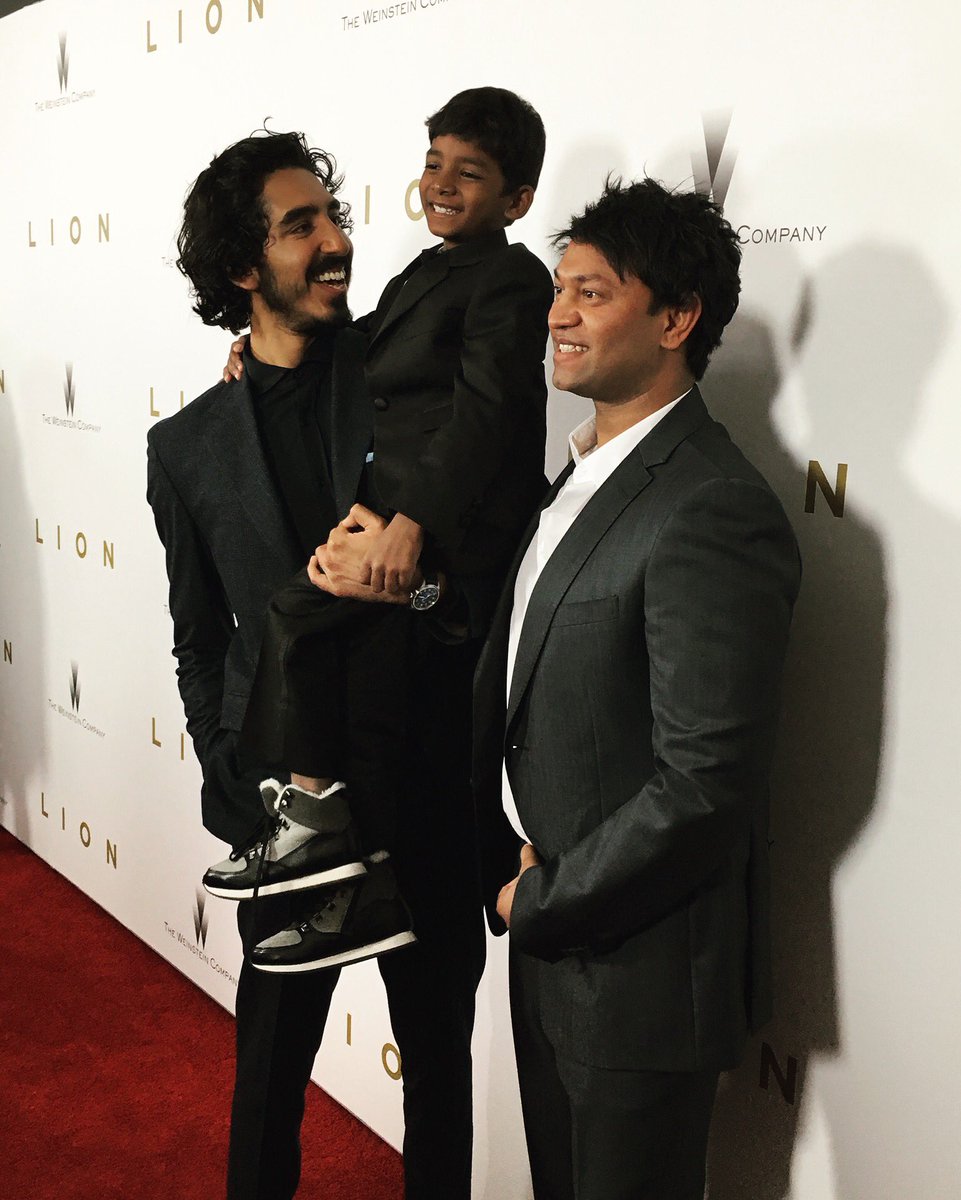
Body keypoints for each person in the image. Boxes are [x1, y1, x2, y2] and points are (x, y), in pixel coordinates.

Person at [146, 113, 548, 1200]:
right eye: (299, 226)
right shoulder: (182, 446)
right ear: (242, 267)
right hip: (286, 815)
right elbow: (197, 635)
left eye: (331, 215)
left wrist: (418, 583)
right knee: (268, 1084)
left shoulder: (398, 369)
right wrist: (227, 765)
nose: (336, 239)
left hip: (421, 791)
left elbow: (492, 538)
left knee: (439, 1089)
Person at [470, 178, 802, 1200]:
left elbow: (703, 785)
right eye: (558, 287)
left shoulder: (711, 508)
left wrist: (541, 900)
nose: (557, 313)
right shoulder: (581, 473)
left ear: (675, 318)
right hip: (550, 942)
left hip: (637, 976)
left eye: (591, 291)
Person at [203, 87, 553, 978]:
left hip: (442, 540)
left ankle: (314, 826)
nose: (439, 184)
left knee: (298, 617)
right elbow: (355, 351)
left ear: (515, 200)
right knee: (300, 621)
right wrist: (256, 356)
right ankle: (318, 829)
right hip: (385, 518)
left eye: (467, 173)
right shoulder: (419, 275)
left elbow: (483, 418)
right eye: (432, 162)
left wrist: (410, 529)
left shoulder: (510, 279)